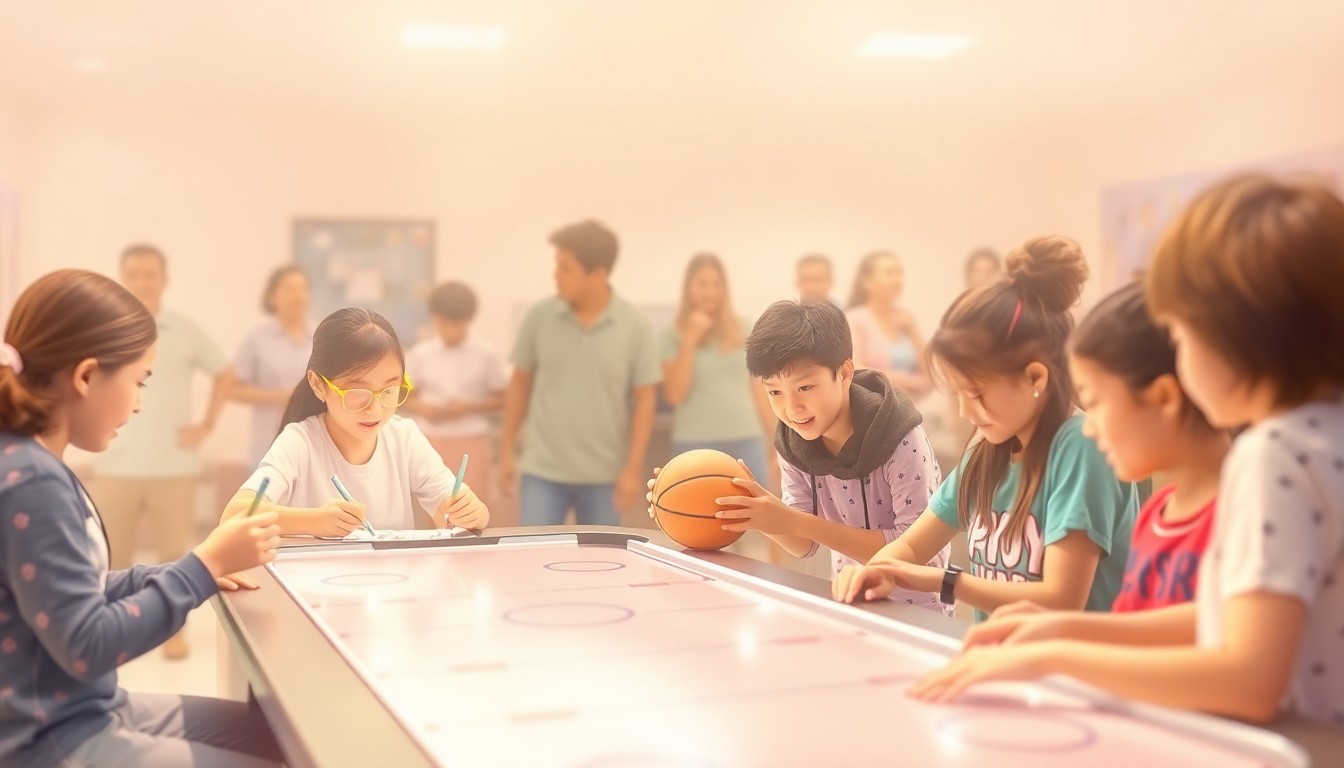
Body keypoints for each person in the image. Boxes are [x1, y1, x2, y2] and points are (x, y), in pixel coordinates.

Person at [910, 175, 1344, 725]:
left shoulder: (1273, 455)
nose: (1179, 363)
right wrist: (1066, 628)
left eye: (1182, 339)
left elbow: (1249, 682)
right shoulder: (1320, 434)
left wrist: (1053, 654)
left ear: (1240, 334)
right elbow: (1228, 618)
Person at [0, 269, 283, 767]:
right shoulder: (31, 481)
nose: (137, 404)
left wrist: (187, 571)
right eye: (138, 381)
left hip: (87, 710)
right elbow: (87, 644)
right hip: (52, 740)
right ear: (86, 376)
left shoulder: (33, 463)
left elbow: (68, 593)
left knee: (272, 736)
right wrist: (199, 569)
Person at [833, 236, 1137, 620]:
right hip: (1001, 660)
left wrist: (944, 582)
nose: (965, 410)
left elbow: (1061, 599)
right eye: (958, 393)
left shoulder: (1081, 447)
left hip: (1070, 673)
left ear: (1035, 377)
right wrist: (873, 570)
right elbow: (911, 548)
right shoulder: (987, 449)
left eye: (976, 393)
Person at [695, 299, 950, 609]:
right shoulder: (795, 442)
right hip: (850, 604)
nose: (792, 408)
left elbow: (916, 550)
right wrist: (760, 514)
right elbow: (804, 545)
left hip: (919, 612)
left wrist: (795, 521)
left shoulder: (902, 438)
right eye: (774, 391)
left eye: (805, 388)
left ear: (843, 373)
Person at [220, 308, 488, 535]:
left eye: (389, 391)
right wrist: (315, 521)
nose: (375, 408)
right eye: (357, 393)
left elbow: (450, 512)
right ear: (318, 385)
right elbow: (235, 515)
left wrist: (470, 513)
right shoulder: (300, 442)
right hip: (314, 590)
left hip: (392, 587)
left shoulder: (404, 437)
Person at [92, 243, 231, 660]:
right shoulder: (105, 330)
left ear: (164, 280)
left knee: (175, 556)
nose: (141, 281)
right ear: (123, 278)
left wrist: (207, 424)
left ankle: (174, 634)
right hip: (115, 464)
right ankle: (113, 636)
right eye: (133, 273)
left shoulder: (185, 330)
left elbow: (224, 372)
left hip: (175, 466)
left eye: (149, 274)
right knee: (111, 557)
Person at [499, 220, 661, 525]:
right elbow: (519, 384)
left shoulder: (634, 325)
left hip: (604, 478)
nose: (555, 276)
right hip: (541, 472)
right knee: (531, 563)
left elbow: (645, 400)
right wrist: (507, 450)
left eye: (565, 268)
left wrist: (632, 469)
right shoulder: (539, 317)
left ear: (598, 274)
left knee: (602, 568)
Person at [661, 254, 777, 488]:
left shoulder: (744, 327)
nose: (709, 291)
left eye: (716, 284)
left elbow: (759, 389)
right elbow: (675, 394)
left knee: (754, 517)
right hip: (694, 443)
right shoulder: (671, 335)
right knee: (694, 517)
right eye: (702, 284)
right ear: (689, 288)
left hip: (746, 439)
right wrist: (689, 341)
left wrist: (777, 444)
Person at [403, 281, 507, 517]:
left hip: (471, 441)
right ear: (435, 319)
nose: (449, 330)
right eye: (442, 323)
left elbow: (502, 399)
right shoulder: (421, 354)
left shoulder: (485, 353)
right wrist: (423, 408)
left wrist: (468, 407)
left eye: (456, 324)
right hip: (430, 441)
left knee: (470, 513)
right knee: (431, 513)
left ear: (468, 321)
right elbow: (404, 396)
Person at [229, 264, 314, 467]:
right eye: (290, 289)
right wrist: (282, 396)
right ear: (272, 296)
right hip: (268, 446)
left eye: (303, 288)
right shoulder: (257, 338)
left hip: (314, 446)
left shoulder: (322, 336)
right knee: (264, 497)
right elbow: (232, 389)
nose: (298, 295)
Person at [846, 250, 933, 399]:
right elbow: (857, 371)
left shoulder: (906, 319)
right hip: (874, 410)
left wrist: (912, 329)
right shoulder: (855, 319)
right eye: (889, 273)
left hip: (909, 411)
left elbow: (930, 373)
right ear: (867, 281)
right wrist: (910, 382)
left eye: (899, 273)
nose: (897, 279)